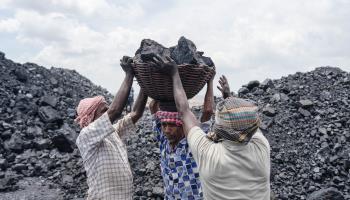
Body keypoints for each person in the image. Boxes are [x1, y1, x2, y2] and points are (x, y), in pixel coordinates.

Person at [154, 56, 271, 200]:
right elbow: (247, 123)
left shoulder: (208, 153)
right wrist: (228, 97)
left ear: (219, 129)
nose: (166, 129)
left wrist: (174, 73)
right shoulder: (262, 148)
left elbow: (184, 111)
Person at [75, 56, 148, 200]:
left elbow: (136, 113)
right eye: (103, 110)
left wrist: (145, 83)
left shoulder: (112, 132)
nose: (108, 110)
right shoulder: (86, 137)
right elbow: (115, 111)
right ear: (90, 117)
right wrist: (129, 75)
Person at [148, 76, 214, 199]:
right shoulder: (163, 141)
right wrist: (159, 84)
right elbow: (152, 107)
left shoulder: (194, 143)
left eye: (172, 125)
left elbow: (208, 111)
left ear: (183, 125)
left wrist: (209, 81)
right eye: (164, 125)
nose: (167, 130)